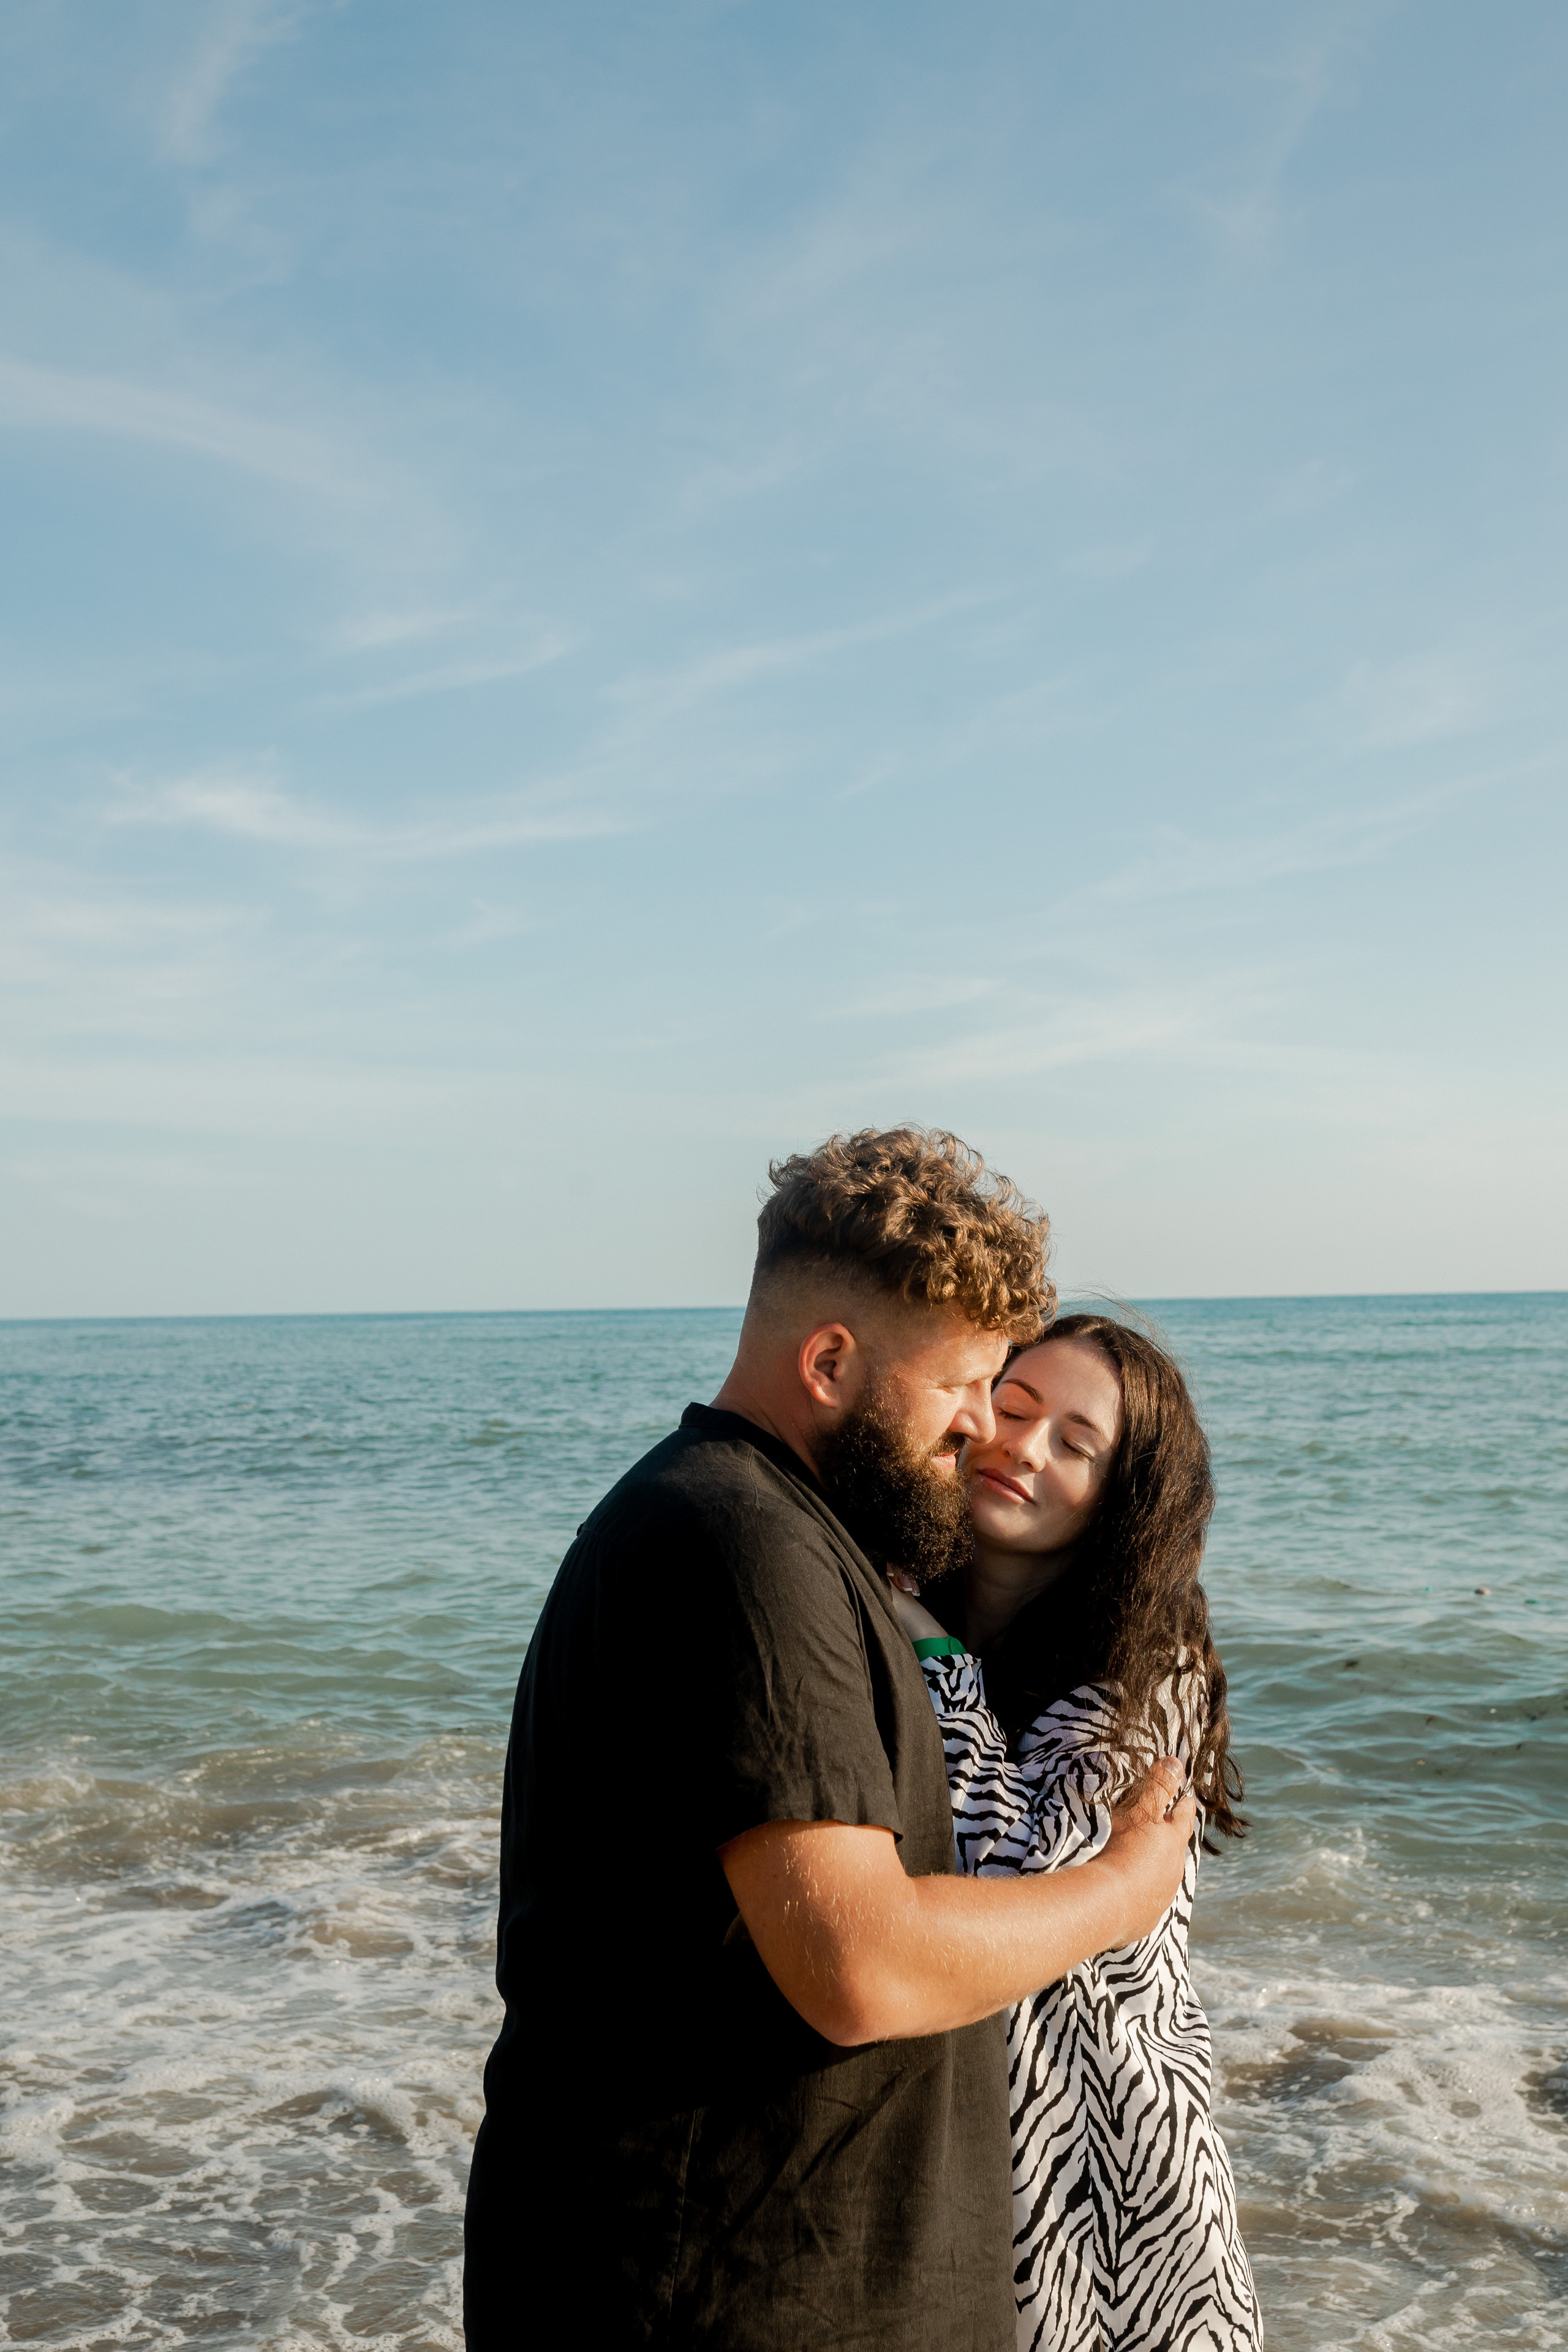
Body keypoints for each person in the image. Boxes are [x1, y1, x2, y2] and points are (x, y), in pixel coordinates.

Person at [463, 1133, 1197, 2351]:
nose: (978, 1428)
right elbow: (861, 1966)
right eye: (964, 1384)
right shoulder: (740, 1545)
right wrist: (1118, 1891)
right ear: (829, 1361)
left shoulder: (773, 1535)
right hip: (716, 2302)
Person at [889, 1312, 1261, 2351]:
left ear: (1122, 1500)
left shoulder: (1153, 1668)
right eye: (1011, 1409)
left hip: (1115, 2183)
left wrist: (935, 1654)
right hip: (976, 2160)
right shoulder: (901, 1606)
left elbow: (1014, 1881)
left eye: (1075, 1443)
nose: (1022, 1446)